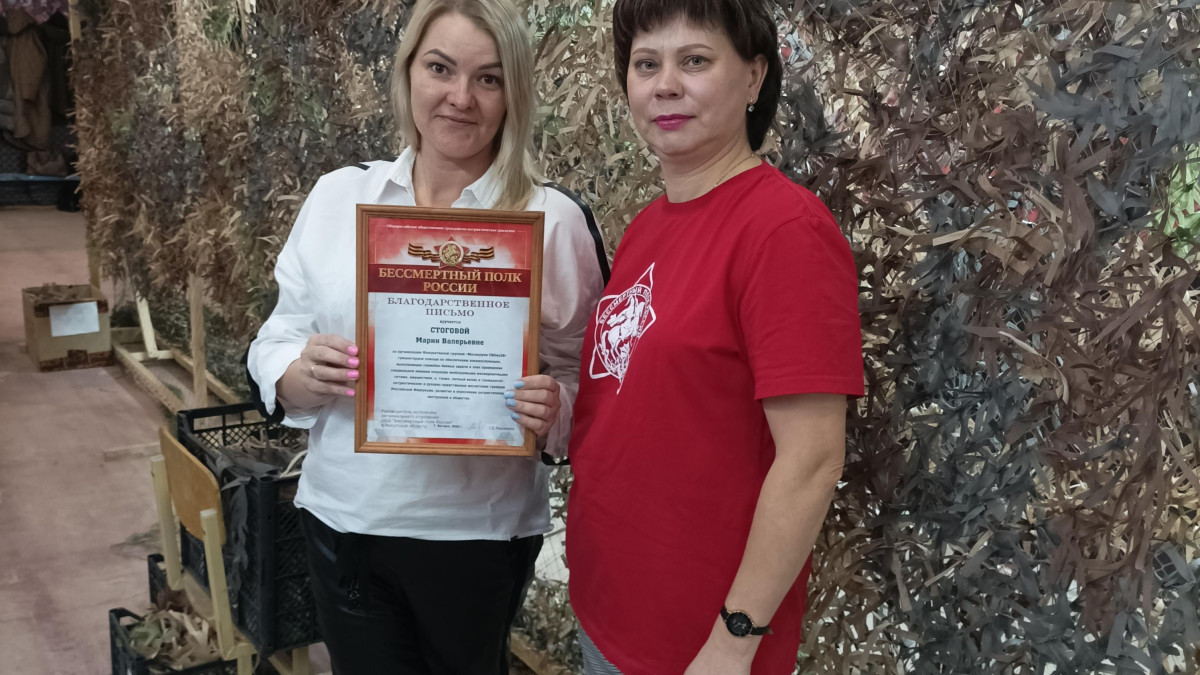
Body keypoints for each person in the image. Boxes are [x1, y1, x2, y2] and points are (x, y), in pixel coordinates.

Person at [247, 0, 608, 672]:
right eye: (440, 68)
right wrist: (298, 374)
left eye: (488, 78)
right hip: (348, 519)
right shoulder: (338, 199)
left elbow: (592, 381)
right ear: (408, 72)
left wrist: (555, 408)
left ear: (514, 93)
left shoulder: (551, 220)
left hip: (480, 534)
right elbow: (278, 337)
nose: (460, 98)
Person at [564, 0, 864, 673]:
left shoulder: (784, 232)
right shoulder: (649, 226)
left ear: (754, 77)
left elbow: (812, 460)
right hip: (608, 610)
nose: (665, 85)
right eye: (646, 64)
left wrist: (734, 639)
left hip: (697, 646)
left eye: (694, 60)